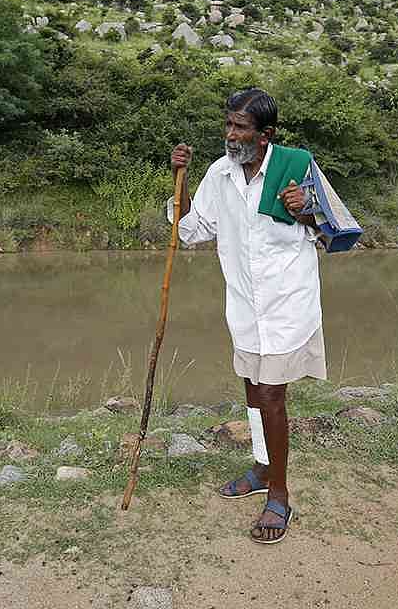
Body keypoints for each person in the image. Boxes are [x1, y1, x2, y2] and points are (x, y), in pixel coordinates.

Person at [169, 86, 326, 544]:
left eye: (240, 127)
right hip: (243, 305)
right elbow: (194, 231)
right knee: (253, 390)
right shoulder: (220, 173)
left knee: (272, 394)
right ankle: (261, 466)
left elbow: (336, 232)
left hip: (285, 304)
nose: (230, 134)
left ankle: (279, 494)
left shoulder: (297, 168)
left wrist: (307, 214)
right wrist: (177, 186)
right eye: (229, 124)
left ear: (265, 135)